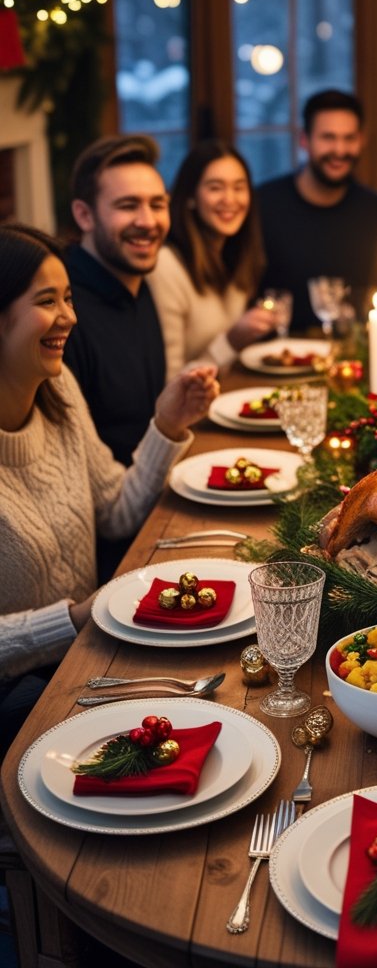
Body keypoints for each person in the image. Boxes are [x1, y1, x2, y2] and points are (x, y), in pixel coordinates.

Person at [0, 225, 218, 751]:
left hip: (91, 657)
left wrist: (166, 426)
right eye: (47, 301)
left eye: (69, 298)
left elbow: (115, 511)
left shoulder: (59, 390)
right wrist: (71, 618)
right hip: (21, 694)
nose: (70, 317)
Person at [62, 134, 170, 466]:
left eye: (157, 204)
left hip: (154, 488)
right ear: (84, 216)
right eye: (127, 205)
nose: (148, 222)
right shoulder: (63, 310)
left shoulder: (138, 281)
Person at [257, 89, 377, 329]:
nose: (340, 150)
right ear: (304, 140)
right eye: (328, 137)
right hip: (279, 357)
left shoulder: (376, 212)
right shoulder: (264, 205)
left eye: (349, 138)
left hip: (353, 356)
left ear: (362, 140)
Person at [147, 139, 274, 381]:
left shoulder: (237, 258)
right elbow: (170, 382)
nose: (230, 199)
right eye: (215, 188)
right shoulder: (166, 267)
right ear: (191, 197)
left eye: (239, 187)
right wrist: (231, 341)